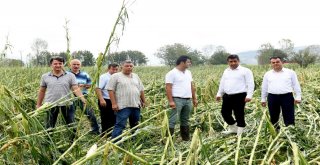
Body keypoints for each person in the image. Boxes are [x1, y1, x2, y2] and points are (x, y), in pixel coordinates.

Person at [36, 56, 86, 134]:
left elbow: (76, 89)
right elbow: (42, 91)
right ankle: (48, 143)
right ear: (51, 65)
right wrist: (38, 104)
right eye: (55, 64)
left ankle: (72, 141)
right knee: (49, 126)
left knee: (71, 125)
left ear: (63, 64)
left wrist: (83, 99)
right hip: (50, 104)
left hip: (67, 104)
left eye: (60, 63)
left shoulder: (70, 76)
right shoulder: (45, 76)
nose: (58, 65)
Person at [106, 60, 146, 139]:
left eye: (131, 66)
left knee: (135, 124)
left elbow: (141, 89)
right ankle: (115, 143)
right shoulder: (116, 76)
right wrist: (114, 103)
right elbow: (110, 90)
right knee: (120, 125)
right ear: (122, 67)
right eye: (127, 66)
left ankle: (134, 140)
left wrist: (143, 101)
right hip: (123, 105)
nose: (129, 67)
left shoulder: (135, 76)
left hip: (135, 104)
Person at [216, 54, 254, 135]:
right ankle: (233, 128)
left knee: (239, 113)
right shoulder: (226, 71)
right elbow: (222, 83)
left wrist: (249, 95)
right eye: (231, 61)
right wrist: (219, 94)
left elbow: (250, 83)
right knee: (224, 113)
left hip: (240, 95)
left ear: (238, 61)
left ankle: (240, 131)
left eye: (235, 61)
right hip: (227, 95)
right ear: (228, 62)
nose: (233, 63)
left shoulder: (245, 71)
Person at [261, 56, 301, 130]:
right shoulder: (267, 74)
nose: (275, 64)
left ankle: (290, 131)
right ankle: (276, 131)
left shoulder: (290, 72)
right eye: (273, 62)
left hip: (287, 97)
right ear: (271, 64)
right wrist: (263, 99)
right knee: (273, 116)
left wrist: (298, 97)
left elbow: (296, 85)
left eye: (277, 62)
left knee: (289, 115)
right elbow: (264, 87)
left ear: (282, 62)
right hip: (272, 97)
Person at [165, 55, 198, 141]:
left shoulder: (188, 73)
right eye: (188, 62)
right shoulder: (172, 73)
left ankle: (185, 138)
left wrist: (194, 98)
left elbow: (191, 86)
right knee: (173, 119)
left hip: (188, 99)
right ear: (182, 62)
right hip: (177, 99)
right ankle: (168, 139)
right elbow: (168, 87)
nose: (190, 63)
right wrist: (171, 101)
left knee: (185, 119)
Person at [69, 59, 100, 134]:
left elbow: (90, 85)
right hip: (70, 97)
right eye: (74, 64)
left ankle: (95, 130)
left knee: (90, 113)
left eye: (78, 64)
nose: (76, 66)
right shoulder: (66, 74)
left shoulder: (85, 74)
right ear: (70, 65)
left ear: (80, 65)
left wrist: (84, 85)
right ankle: (72, 132)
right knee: (70, 115)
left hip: (84, 96)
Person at [95, 63, 119, 136]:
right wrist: (101, 99)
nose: (115, 71)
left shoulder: (118, 77)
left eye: (116, 69)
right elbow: (98, 88)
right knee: (105, 118)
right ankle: (104, 134)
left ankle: (112, 134)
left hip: (115, 100)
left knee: (114, 118)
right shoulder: (104, 77)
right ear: (108, 69)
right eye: (113, 69)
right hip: (106, 100)